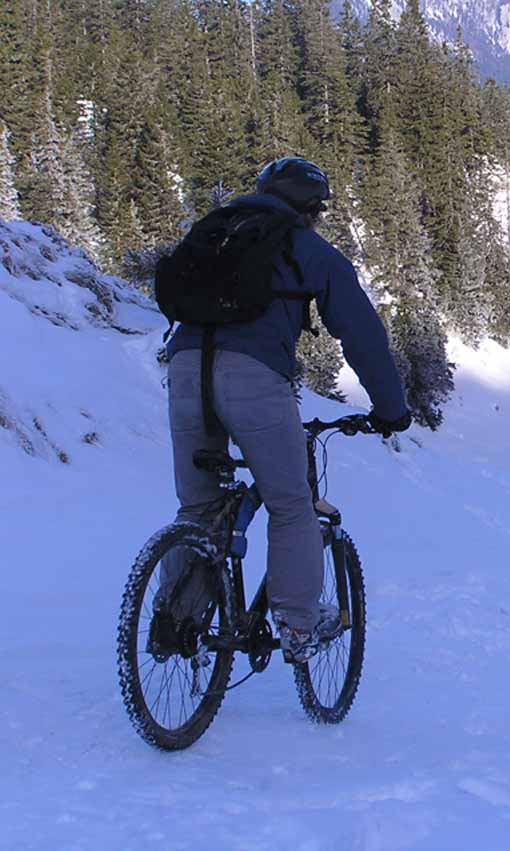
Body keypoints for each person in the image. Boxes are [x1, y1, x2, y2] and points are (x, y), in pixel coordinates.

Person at [162, 157, 410, 662]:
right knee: (291, 503)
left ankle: (175, 623)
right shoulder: (310, 250)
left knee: (199, 508)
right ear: (311, 208)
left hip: (184, 369)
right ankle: (298, 625)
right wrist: (390, 408)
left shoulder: (216, 233)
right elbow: (362, 337)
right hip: (252, 377)